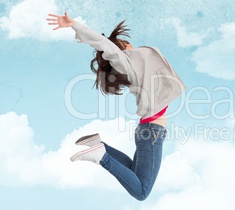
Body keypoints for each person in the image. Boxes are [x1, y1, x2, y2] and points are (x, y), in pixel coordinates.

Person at [46, 12, 186, 201]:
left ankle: (100, 146)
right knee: (141, 192)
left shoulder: (139, 60)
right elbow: (103, 44)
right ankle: (101, 156)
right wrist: (74, 25)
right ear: (121, 48)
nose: (131, 43)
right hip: (152, 131)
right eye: (125, 43)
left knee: (133, 173)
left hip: (149, 130)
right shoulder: (127, 62)